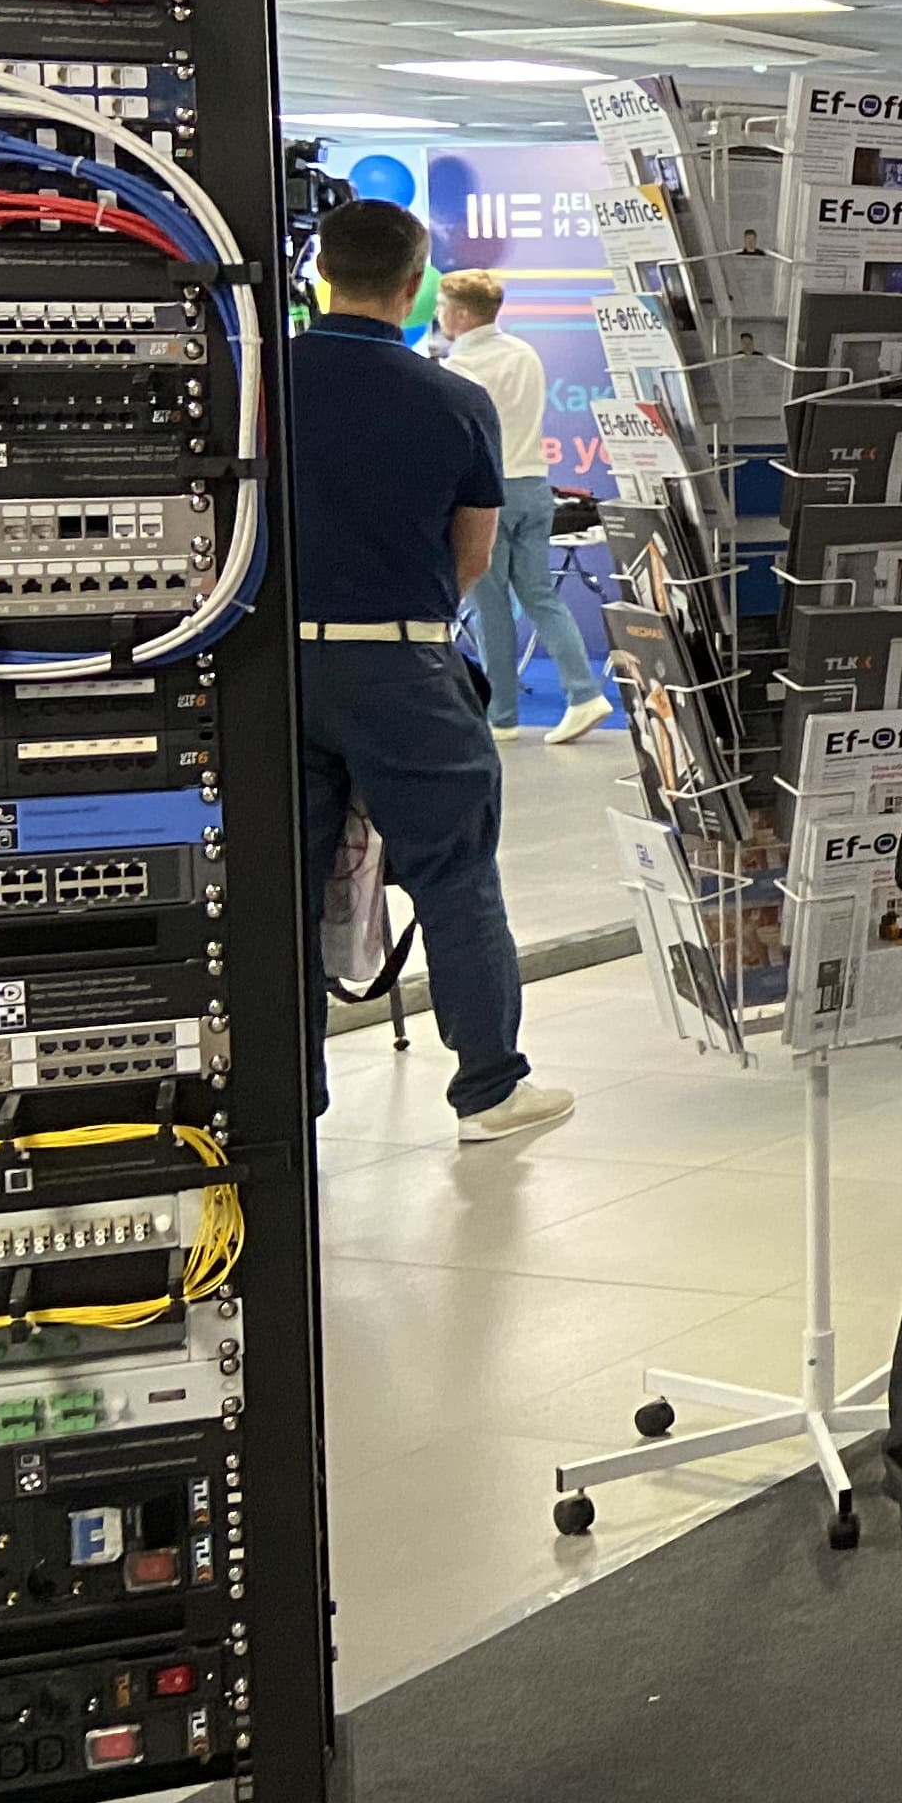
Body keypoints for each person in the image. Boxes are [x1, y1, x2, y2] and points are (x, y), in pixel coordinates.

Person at [287, 202, 571, 1143]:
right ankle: (489, 1088)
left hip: (276, 674)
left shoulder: (258, 383)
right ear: (415, 287)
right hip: (401, 664)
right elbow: (473, 557)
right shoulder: (452, 399)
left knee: (280, 884)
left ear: (323, 274)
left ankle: (290, 1100)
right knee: (455, 874)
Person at [435, 270, 614, 746]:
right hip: (535, 487)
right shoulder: (525, 353)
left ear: (461, 314)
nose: (437, 314)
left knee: (490, 607)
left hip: (487, 494)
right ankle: (583, 693)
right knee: (540, 595)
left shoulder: (457, 368)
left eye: (442, 306)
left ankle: (502, 717)